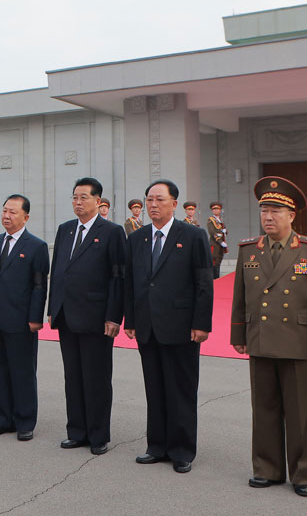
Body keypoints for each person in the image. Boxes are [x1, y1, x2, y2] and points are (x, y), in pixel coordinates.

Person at [231, 176, 307, 497]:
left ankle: (303, 473)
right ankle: (267, 468)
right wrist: (238, 334)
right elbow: (239, 296)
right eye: (264, 209)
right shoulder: (249, 250)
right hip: (261, 339)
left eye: (276, 210)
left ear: (291, 216)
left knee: (300, 412)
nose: (268, 216)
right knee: (263, 409)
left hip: (298, 342)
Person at [124, 180, 213, 474]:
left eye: (159, 200)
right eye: (149, 200)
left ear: (174, 204)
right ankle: (157, 446)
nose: (152, 205)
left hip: (182, 327)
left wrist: (201, 323)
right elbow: (131, 283)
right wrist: (131, 320)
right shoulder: (137, 239)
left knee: (181, 390)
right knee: (155, 388)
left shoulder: (193, 235)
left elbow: (203, 283)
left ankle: (182, 449)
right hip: (148, 326)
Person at [48, 177, 125, 455]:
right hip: (66, 314)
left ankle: (98, 434)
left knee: (96, 377)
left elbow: (118, 276)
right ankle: (76, 431)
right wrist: (52, 308)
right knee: (73, 376)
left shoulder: (111, 232)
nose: (78, 202)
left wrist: (114, 316)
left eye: (83, 197)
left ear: (98, 201)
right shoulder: (65, 230)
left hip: (96, 317)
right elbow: (57, 271)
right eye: (74, 197)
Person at [0, 194, 49, 442]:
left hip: (21, 320)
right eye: (4, 211)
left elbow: (39, 286)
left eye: (13, 212)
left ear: (26, 217)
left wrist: (35, 318)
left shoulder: (36, 246)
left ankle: (25, 421)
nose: (6, 216)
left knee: (23, 371)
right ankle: (2, 418)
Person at [206, 201, 227, 279]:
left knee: (219, 261)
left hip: (220, 244)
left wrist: (225, 231)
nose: (216, 211)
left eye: (217, 209)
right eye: (214, 209)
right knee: (213, 261)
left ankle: (217, 278)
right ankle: (213, 279)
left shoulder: (220, 220)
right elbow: (212, 232)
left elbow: (223, 230)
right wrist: (220, 241)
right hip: (214, 243)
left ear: (220, 210)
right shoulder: (211, 220)